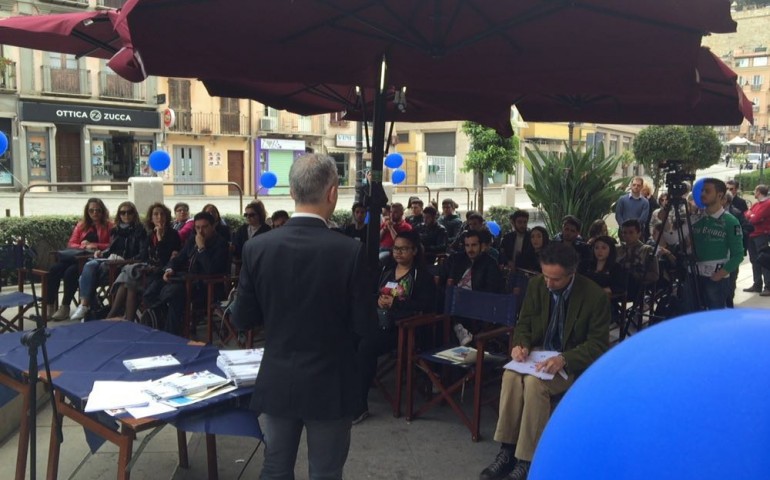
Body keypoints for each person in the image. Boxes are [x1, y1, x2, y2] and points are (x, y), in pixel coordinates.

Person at [232, 154, 374, 480]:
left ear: (292, 193)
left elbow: (242, 318)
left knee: (275, 467)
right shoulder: (349, 251)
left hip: (278, 378)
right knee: (325, 471)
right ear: (333, 193)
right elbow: (364, 325)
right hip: (331, 382)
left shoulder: (257, 248)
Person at [479, 243, 609, 480]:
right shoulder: (538, 284)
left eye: (556, 279)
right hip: (537, 356)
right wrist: (522, 345)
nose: (548, 283)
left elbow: (598, 344)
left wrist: (564, 359)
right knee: (510, 376)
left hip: (568, 361)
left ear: (572, 274)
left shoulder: (594, 296)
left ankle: (527, 459)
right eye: (545, 275)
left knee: (534, 385)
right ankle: (507, 450)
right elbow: (525, 323)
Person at [353, 231, 435, 424]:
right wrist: (379, 300)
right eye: (395, 248)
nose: (398, 253)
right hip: (377, 322)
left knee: (366, 346)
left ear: (414, 250)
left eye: (403, 249)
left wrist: (396, 305)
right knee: (349, 339)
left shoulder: (422, 277)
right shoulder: (386, 270)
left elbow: (427, 306)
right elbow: (371, 294)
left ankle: (359, 405)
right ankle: (347, 393)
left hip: (402, 329)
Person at [142, 211, 229, 335]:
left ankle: (169, 334)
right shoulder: (193, 240)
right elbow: (179, 258)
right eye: (197, 227)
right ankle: (159, 327)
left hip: (206, 287)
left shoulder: (221, 244)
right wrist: (169, 269)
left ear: (213, 226)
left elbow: (211, 270)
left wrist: (202, 249)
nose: (200, 231)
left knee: (175, 294)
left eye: (205, 227)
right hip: (186, 281)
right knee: (154, 286)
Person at [70, 201, 146, 321]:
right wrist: (101, 253)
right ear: (119, 215)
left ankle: (91, 309)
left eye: (129, 212)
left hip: (123, 264)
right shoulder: (116, 230)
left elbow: (142, 254)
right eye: (122, 212)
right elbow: (111, 248)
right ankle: (88, 307)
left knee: (84, 278)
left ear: (134, 214)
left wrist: (125, 260)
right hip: (110, 260)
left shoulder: (139, 230)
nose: (126, 215)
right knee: (89, 266)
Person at [107, 203, 181, 321]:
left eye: (162, 214)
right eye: (155, 214)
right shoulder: (150, 234)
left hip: (161, 274)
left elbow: (164, 259)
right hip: (148, 270)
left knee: (130, 282)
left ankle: (117, 315)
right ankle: (124, 318)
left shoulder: (173, 234)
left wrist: (160, 238)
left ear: (166, 217)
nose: (159, 217)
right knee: (130, 283)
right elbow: (145, 256)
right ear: (151, 218)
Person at [47, 198, 113, 321]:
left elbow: (112, 245)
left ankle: (65, 307)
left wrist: (96, 245)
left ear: (103, 211)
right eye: (91, 210)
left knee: (70, 272)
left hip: (92, 261)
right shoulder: (81, 225)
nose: (94, 213)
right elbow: (71, 243)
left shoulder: (109, 225)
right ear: (87, 212)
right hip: (76, 257)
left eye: (98, 210)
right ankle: (49, 306)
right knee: (54, 269)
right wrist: (84, 245)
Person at [689, 178, 744, 309]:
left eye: (707, 191)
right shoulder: (695, 219)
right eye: (702, 190)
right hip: (693, 276)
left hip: (715, 279)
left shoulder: (731, 221)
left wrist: (720, 275)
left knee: (714, 318)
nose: (702, 194)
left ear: (719, 195)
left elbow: (738, 255)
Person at [743, 184, 770, 296]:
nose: (754, 192)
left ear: (758, 192)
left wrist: (751, 215)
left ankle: (768, 286)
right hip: (752, 235)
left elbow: (756, 218)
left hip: (761, 235)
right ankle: (757, 284)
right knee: (754, 260)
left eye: (755, 190)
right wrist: (751, 215)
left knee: (764, 261)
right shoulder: (756, 204)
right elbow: (746, 215)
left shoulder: (767, 204)